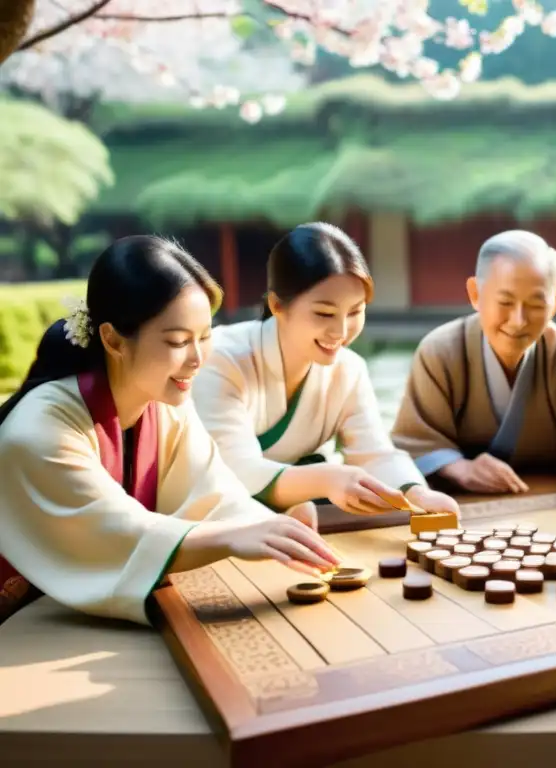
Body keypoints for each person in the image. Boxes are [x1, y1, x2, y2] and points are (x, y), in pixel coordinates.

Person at [0, 236, 340, 627]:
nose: (197, 359)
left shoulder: (163, 403)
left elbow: (214, 497)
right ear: (112, 339)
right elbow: (114, 531)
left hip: (62, 615)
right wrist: (234, 537)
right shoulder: (39, 431)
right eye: (178, 341)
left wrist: (269, 525)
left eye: (206, 336)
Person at [192, 222, 459, 519]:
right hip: (214, 514)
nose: (341, 331)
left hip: (294, 511)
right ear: (278, 305)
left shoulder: (349, 369)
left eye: (356, 311)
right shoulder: (220, 357)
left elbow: (373, 453)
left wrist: (416, 493)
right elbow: (235, 468)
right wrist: (327, 479)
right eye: (324, 313)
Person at [390, 229, 556, 515]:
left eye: (536, 304)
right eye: (505, 302)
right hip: (463, 510)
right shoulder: (440, 350)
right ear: (475, 294)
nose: (518, 321)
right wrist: (460, 469)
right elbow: (412, 442)